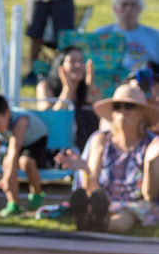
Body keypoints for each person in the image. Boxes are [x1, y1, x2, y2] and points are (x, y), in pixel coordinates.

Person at [56, 82, 159, 232]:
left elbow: (148, 195)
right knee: (96, 200)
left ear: (142, 113)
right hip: (103, 199)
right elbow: (91, 187)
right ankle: (93, 217)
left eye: (129, 106)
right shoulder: (101, 140)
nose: (122, 112)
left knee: (125, 217)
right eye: (117, 106)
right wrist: (84, 169)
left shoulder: (152, 144)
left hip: (135, 203)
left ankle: (99, 224)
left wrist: (150, 162)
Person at [0, 93, 49, 217]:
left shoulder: (20, 121)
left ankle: (37, 195)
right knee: (7, 163)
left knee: (26, 162)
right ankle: (13, 204)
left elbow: (14, 151)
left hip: (36, 141)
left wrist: (6, 177)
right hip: (18, 143)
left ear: (8, 114)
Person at [36, 45, 99, 151]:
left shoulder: (87, 88)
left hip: (83, 146)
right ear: (60, 66)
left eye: (80, 61)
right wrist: (67, 91)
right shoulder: (45, 87)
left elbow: (105, 114)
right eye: (72, 61)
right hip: (53, 146)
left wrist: (92, 86)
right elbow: (50, 120)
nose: (78, 65)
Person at [94, 0, 159, 72]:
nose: (128, 9)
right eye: (124, 5)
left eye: (133, 5)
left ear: (140, 8)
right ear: (115, 8)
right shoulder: (100, 35)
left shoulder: (154, 37)